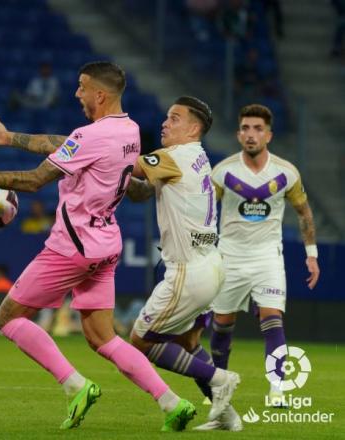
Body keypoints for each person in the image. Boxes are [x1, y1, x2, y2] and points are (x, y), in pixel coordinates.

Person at [0, 61, 197, 432]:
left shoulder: (92, 136)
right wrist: (9, 136)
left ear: (100, 94)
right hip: (106, 244)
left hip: (71, 247)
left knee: (8, 318)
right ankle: (172, 402)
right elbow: (67, 145)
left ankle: (76, 385)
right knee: (103, 338)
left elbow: (31, 182)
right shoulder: (129, 131)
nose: (76, 93)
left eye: (81, 87)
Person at [125, 96, 241, 428]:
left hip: (188, 271)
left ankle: (218, 379)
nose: (165, 123)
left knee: (141, 341)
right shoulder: (199, 157)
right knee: (187, 342)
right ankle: (227, 416)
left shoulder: (173, 156)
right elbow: (140, 188)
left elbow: (129, 168)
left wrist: (80, 150)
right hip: (213, 266)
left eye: (174, 119)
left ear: (193, 128)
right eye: (166, 117)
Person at [205, 104, 320, 426]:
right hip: (229, 256)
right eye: (245, 128)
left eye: (257, 128)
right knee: (222, 325)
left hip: (268, 257)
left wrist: (312, 255)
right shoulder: (222, 172)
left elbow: (305, 213)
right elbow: (203, 213)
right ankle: (218, 387)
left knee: (272, 319)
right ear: (238, 134)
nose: (251, 134)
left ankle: (278, 388)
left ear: (268, 134)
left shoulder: (286, 172)